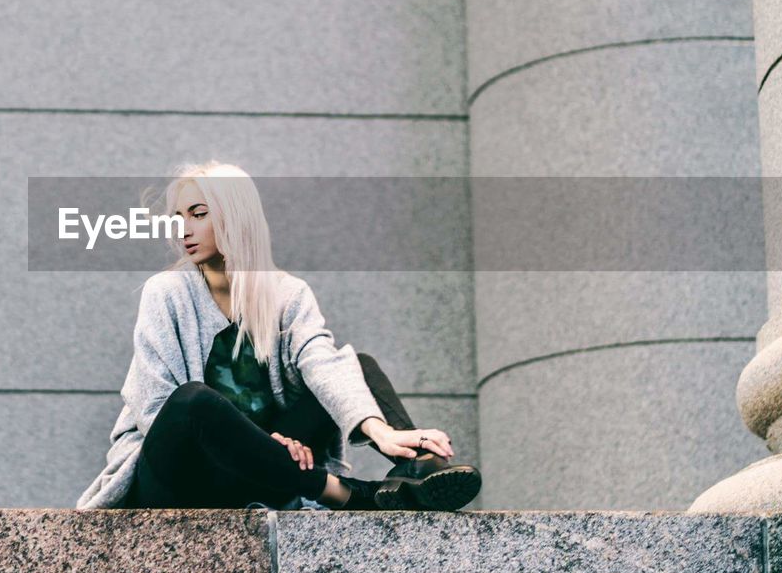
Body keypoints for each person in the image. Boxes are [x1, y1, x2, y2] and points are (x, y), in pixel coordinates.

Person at [76, 160, 481, 511]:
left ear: (234, 215)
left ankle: (414, 468)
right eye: (179, 217)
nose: (184, 228)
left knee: (355, 366)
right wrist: (266, 444)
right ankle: (343, 493)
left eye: (198, 213)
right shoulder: (166, 293)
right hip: (178, 477)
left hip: (263, 473)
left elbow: (321, 362)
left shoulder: (287, 293)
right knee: (194, 400)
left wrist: (382, 431)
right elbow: (156, 408)